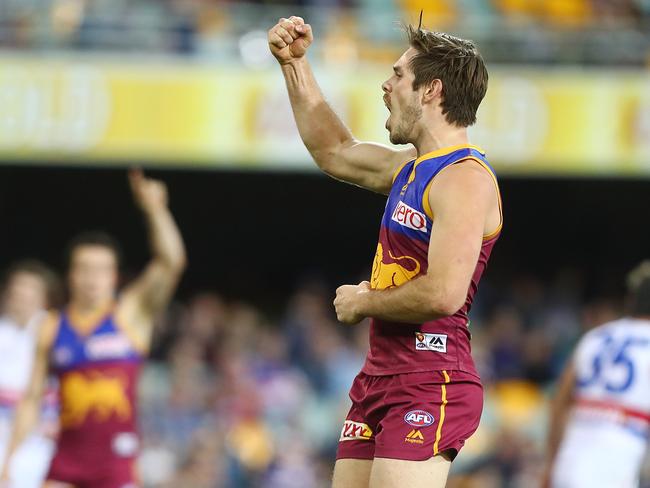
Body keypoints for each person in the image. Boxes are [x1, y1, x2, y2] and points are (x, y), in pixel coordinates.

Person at [268, 15, 501, 488]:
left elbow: (443, 294)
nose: (386, 84)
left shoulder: (464, 179)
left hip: (431, 375)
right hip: (381, 375)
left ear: (431, 90)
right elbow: (334, 150)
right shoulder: (410, 169)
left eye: (398, 75)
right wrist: (295, 66)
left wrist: (364, 301)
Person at [0, 169, 187, 488]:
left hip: (117, 466)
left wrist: (156, 210)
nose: (92, 278)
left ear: (114, 276)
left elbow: (171, 263)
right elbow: (31, 399)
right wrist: (8, 461)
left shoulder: (130, 316)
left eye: (101, 270)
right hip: (65, 464)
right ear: (70, 275)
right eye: (84, 269)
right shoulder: (50, 326)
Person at [543, 262, 650, 488]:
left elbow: (560, 402)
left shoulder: (597, 336)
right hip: (620, 460)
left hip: (572, 455)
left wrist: (551, 463)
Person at [0, 261, 60, 488]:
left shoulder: (56, 331)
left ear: (44, 297)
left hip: (42, 442)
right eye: (18, 290)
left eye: (30, 290)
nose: (23, 296)